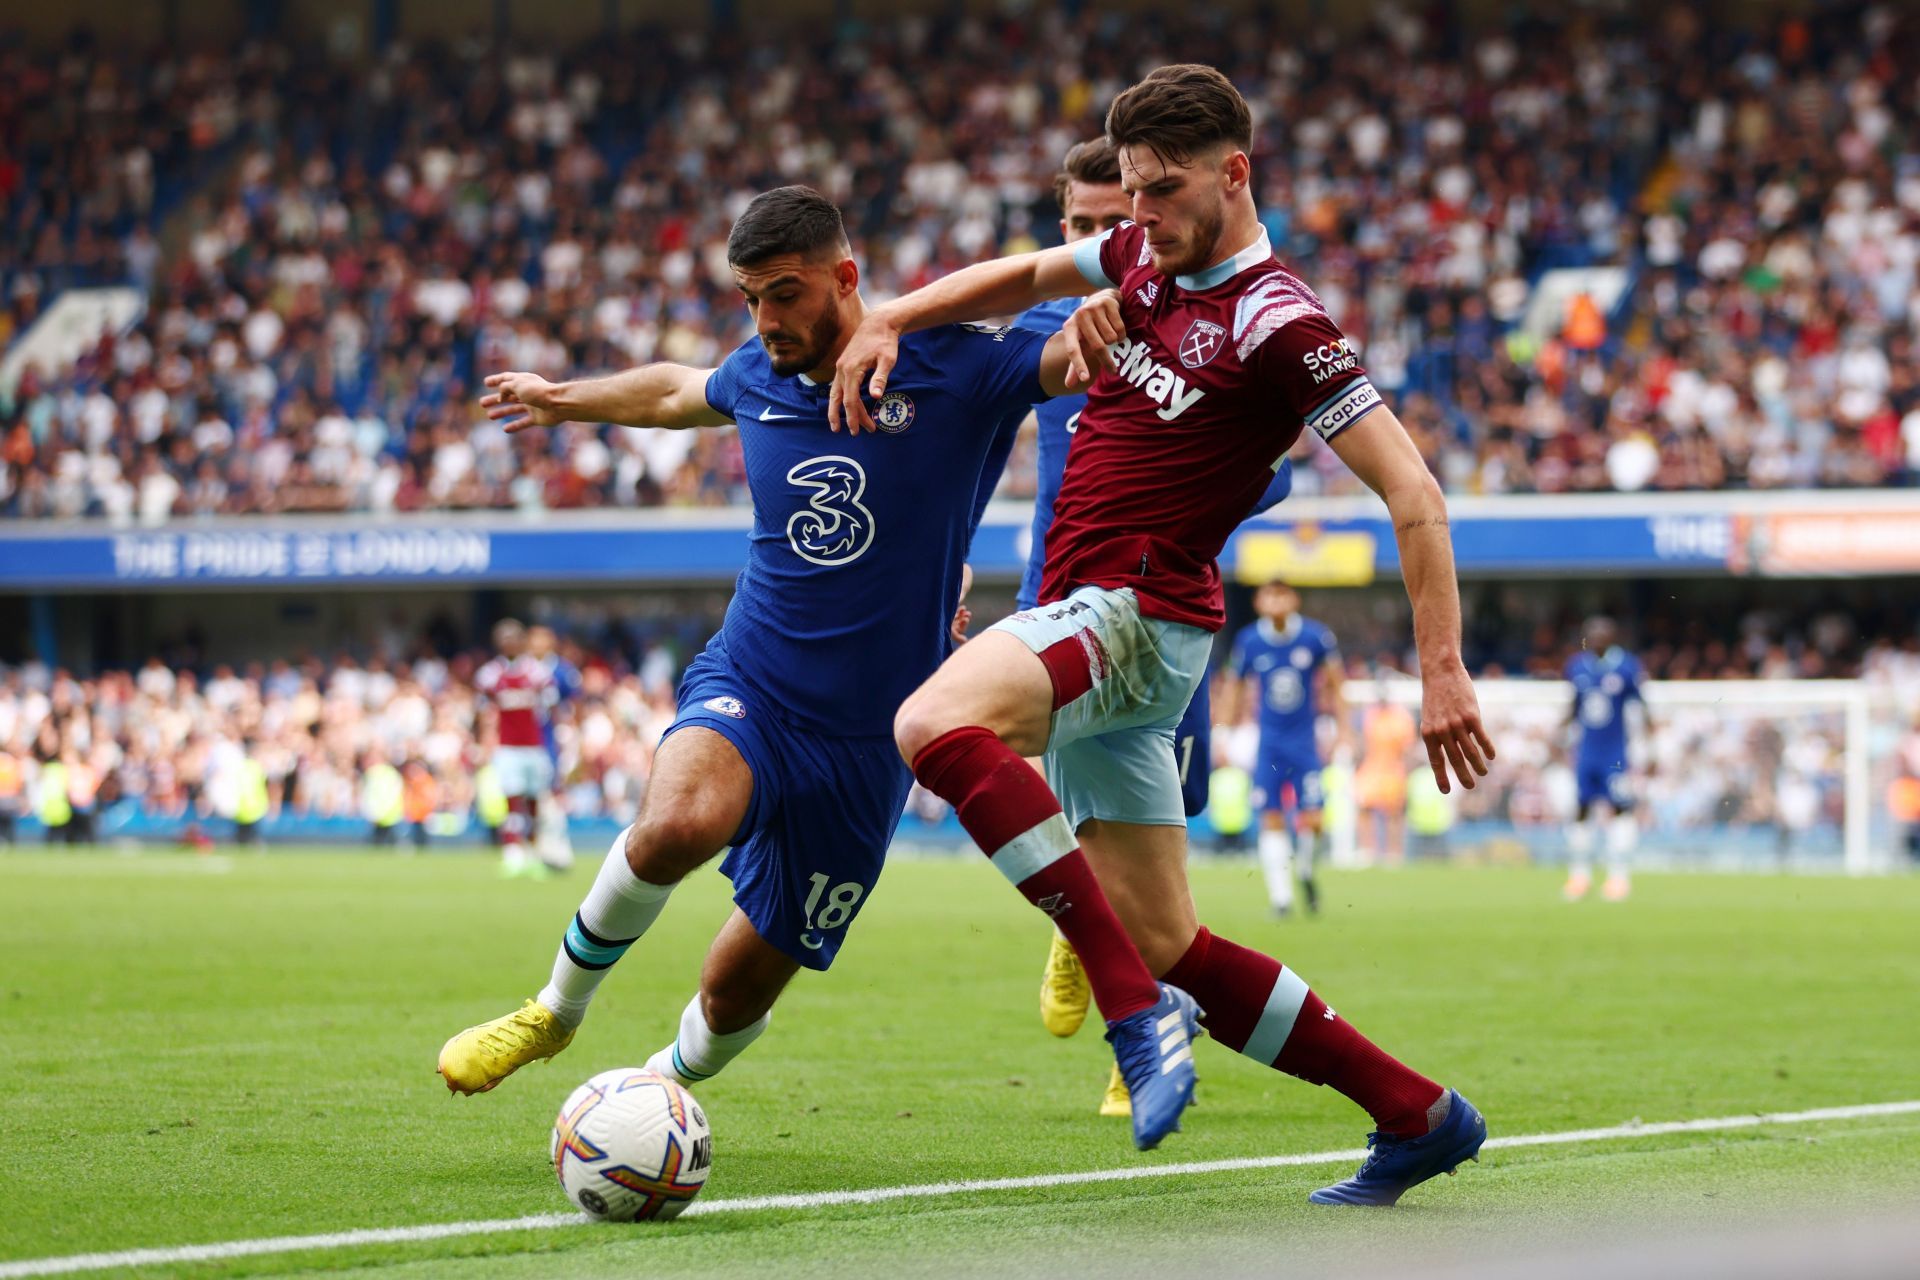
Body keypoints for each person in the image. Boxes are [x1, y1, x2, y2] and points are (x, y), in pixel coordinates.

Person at [833, 64, 1495, 1205]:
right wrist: (894, 311)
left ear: (1234, 176)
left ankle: (1133, 1011)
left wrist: (1444, 670)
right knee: (1178, 936)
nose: (1136, 216)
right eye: (1128, 191)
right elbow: (1034, 269)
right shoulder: (1147, 254)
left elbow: (1416, 492)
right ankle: (1418, 1112)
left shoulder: (1280, 322)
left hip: (1135, 612)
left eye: (1160, 189)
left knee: (930, 720)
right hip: (1118, 624)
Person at [437, 185, 1203, 1154]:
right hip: (756, 680)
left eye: (785, 294)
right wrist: (563, 400)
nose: (765, 320)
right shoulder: (759, 372)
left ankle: (650, 1097)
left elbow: (1065, 357)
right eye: (751, 297)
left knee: (735, 991)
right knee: (678, 823)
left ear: (846, 277)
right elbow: (677, 391)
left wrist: (1115, 314)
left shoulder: (957, 364)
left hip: (877, 739)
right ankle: (555, 1010)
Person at [1026, 140, 1294, 1121]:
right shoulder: (1047, 329)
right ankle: (1091, 946)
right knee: (1013, 779)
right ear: (1062, 231)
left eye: (1118, 222)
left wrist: (1193, 488)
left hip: (1154, 601)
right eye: (1083, 227)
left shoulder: (1191, 324)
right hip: (1052, 586)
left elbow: (1278, 464)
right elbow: (973, 433)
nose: (1103, 241)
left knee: (1154, 831)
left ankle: (1135, 1031)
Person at [1221, 580, 1347, 916]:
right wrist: (1223, 733)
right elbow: (1233, 686)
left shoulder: (1315, 636)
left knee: (1315, 819)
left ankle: (1305, 869)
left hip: (1305, 742)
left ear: (1294, 599)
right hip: (1270, 744)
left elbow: (1337, 684)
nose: (1275, 600)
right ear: (1259, 602)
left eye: (1282, 593)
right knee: (1271, 816)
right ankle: (1281, 900)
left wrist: (1344, 731)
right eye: (1269, 594)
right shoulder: (1249, 640)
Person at [1563, 616, 1651, 902]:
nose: (1596, 639)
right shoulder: (1576, 666)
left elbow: (1641, 706)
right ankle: (1579, 876)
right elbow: (1574, 705)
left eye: (1602, 634)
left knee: (1620, 809)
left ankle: (1618, 877)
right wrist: (1559, 733)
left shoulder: (1627, 666)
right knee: (1581, 809)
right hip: (1587, 752)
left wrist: (1650, 747)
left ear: (1613, 637)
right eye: (1591, 634)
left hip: (1615, 754)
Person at [475, 620, 561, 878]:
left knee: (534, 801)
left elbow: (551, 705)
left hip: (533, 747)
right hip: (508, 748)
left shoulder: (537, 672)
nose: (509, 643)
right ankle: (512, 852)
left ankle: (534, 852)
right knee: (511, 799)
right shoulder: (489, 674)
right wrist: (483, 739)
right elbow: (482, 709)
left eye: (513, 638)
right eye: (504, 639)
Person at [527, 625, 582, 872]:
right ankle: (534, 851)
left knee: (551, 795)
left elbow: (575, 704)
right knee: (529, 798)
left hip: (550, 741)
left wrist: (574, 735)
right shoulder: (523, 668)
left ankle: (557, 850)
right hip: (525, 742)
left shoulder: (562, 670)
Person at [1355, 688, 1418, 865]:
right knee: (1364, 809)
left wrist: (1406, 769)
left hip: (1393, 769)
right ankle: (1367, 850)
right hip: (1371, 768)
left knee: (1393, 813)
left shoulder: (1401, 718)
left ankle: (1394, 853)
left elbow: (1407, 747)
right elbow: (1362, 741)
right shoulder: (1369, 715)